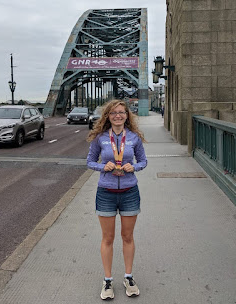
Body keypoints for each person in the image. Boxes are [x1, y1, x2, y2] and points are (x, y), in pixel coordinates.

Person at [87, 99, 147, 300]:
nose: (118, 116)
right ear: (108, 116)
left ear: (127, 115)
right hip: (106, 192)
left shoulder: (134, 138)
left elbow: (143, 161)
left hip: (130, 191)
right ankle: (107, 280)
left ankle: (128, 277)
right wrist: (102, 167)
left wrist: (135, 167)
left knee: (128, 237)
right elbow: (89, 161)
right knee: (108, 238)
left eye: (121, 112)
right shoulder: (101, 138)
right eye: (113, 113)